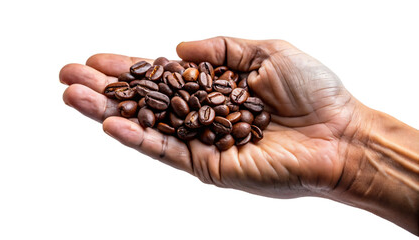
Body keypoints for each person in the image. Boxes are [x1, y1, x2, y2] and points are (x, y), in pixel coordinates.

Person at [59, 37, 419, 235]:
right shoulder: (194, 102)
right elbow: (177, 101)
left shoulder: (237, 113)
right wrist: (355, 144)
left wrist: (353, 144)